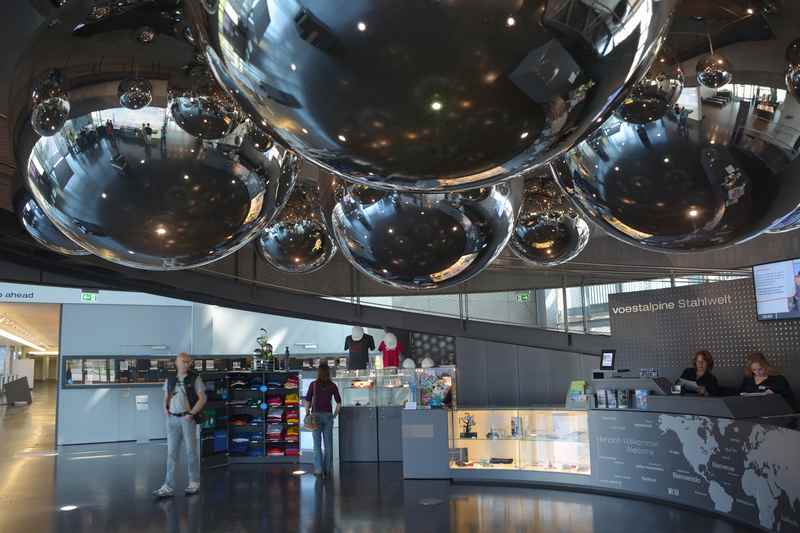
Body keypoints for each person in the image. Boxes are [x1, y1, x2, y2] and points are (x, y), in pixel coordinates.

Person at [153, 352, 206, 498]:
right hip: (172, 420)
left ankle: (194, 482)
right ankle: (168, 486)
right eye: (183, 361)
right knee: (171, 454)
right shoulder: (170, 379)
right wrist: (165, 408)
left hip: (187, 419)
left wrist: (192, 414)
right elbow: (166, 396)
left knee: (191, 452)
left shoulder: (195, 379)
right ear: (177, 363)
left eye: (188, 362)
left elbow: (202, 399)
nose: (186, 364)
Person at [303, 363, 341, 479]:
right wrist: (334, 414)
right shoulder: (333, 385)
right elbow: (339, 402)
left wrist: (307, 413)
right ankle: (328, 470)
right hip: (328, 416)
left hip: (315, 417)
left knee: (317, 444)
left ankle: (319, 470)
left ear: (318, 372)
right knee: (329, 444)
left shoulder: (313, 385)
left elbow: (307, 401)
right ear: (328, 373)